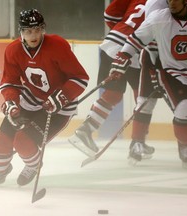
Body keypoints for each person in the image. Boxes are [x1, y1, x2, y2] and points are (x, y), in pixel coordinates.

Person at [0, 9, 89, 187]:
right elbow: (10, 82)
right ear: (21, 32)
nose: (33, 35)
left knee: (23, 141)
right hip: (31, 99)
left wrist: (62, 97)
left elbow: (80, 78)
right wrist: (11, 102)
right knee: (1, 139)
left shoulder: (57, 45)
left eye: (37, 30)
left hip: (59, 107)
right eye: (28, 31)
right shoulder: (13, 50)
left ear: (43, 29)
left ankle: (33, 165)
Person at [109, 0, 187, 169]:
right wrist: (155, 66)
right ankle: (137, 142)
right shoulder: (156, 6)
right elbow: (147, 36)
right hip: (160, 59)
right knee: (146, 101)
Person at [68, 0, 155, 160]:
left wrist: (121, 29)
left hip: (112, 42)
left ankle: (85, 130)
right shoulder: (165, 4)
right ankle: (138, 142)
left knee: (113, 93)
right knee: (144, 98)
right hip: (134, 49)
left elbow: (110, 13)